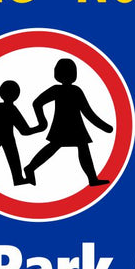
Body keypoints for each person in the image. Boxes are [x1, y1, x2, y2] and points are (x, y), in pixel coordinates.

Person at [24, 58, 113, 187]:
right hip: (69, 127)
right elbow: (88, 113)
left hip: (68, 127)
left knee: (73, 148)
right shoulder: (73, 90)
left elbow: (37, 103)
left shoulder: (61, 90)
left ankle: (30, 168)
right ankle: (30, 168)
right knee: (65, 148)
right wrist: (104, 127)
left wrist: (42, 121)